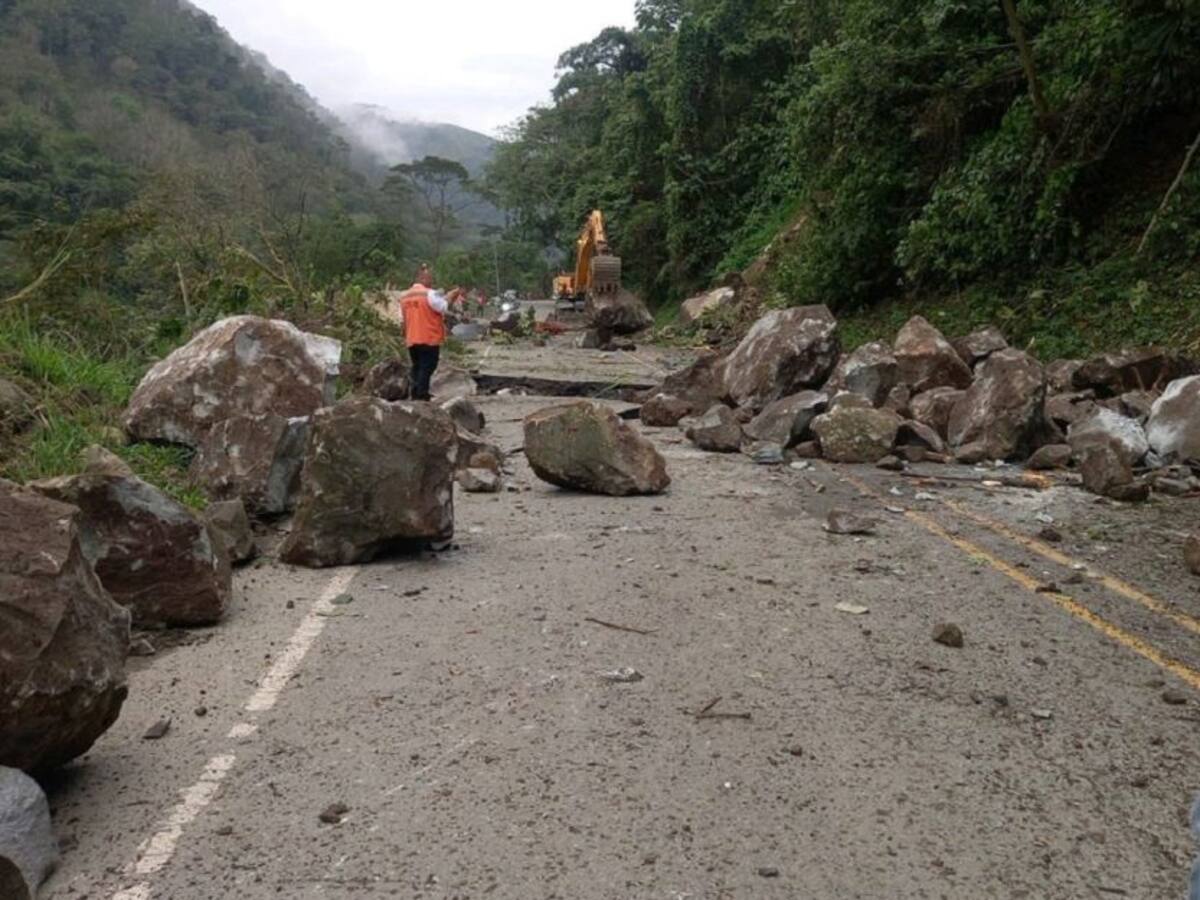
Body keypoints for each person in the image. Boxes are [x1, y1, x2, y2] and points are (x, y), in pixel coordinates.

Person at [399, 265, 457, 401]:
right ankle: (421, 394)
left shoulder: (405, 296)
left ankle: (414, 392)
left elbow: (402, 319)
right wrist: (450, 296)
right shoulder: (429, 293)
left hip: (412, 337)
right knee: (428, 365)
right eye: (429, 278)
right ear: (422, 278)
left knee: (417, 366)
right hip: (429, 337)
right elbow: (443, 307)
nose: (431, 281)